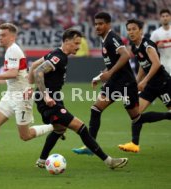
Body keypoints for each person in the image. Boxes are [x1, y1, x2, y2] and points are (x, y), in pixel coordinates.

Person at [29, 28, 129, 170]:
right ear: (67, 41)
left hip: (53, 99)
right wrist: (45, 95)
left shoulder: (57, 54)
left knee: (60, 128)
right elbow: (39, 71)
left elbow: (33, 66)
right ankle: (109, 161)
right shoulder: (59, 57)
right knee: (81, 127)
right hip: (49, 101)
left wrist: (30, 87)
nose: (78, 46)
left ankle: (41, 160)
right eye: (76, 43)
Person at [72, 12, 171, 155]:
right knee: (96, 109)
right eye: (96, 24)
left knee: (136, 117)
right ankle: (91, 146)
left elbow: (126, 56)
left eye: (100, 24)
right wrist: (100, 76)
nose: (97, 27)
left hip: (132, 83)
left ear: (108, 24)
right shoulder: (112, 41)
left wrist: (139, 81)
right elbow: (139, 64)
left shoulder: (113, 39)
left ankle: (166, 117)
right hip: (117, 82)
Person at [0, 23, 53, 168]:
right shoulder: (9, 51)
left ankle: (54, 126)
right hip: (11, 94)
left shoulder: (13, 50)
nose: (0, 37)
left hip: (22, 97)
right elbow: (13, 78)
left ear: (12, 36)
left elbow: (13, 73)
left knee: (24, 136)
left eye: (3, 35)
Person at [118, 19, 171, 151]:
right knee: (136, 113)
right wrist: (137, 81)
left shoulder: (147, 44)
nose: (131, 32)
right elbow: (143, 64)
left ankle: (168, 115)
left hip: (163, 83)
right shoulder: (134, 46)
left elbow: (157, 63)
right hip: (151, 85)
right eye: (129, 29)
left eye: (134, 29)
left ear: (141, 30)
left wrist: (144, 81)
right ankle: (134, 144)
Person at [150, 9, 171, 75]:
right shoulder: (155, 33)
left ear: (170, 17)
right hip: (162, 64)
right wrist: (156, 46)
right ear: (160, 18)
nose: (165, 18)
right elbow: (149, 49)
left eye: (167, 16)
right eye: (163, 16)